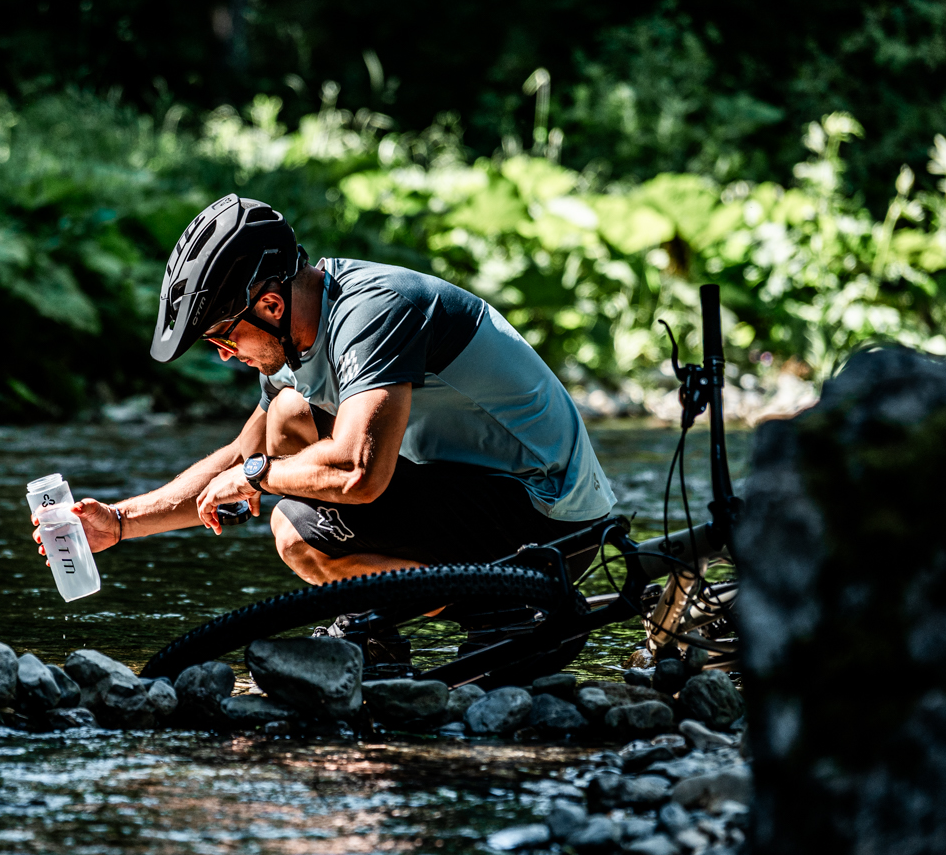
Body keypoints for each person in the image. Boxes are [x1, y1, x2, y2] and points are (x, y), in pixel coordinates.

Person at [35, 193, 617, 669]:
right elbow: (242, 452)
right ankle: (381, 632)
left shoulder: (375, 311)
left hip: (552, 524)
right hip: (480, 499)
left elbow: (359, 474)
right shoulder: (300, 340)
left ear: (269, 305)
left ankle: (503, 611)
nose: (223, 356)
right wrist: (119, 522)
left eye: (221, 337)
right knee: (287, 418)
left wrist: (259, 480)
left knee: (295, 529)